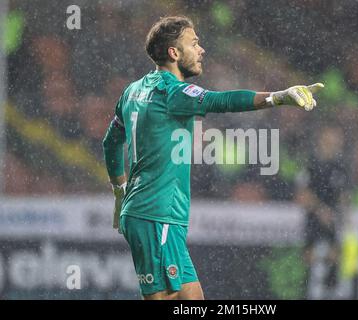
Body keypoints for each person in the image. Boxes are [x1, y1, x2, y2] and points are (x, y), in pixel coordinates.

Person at [102, 15, 324, 300]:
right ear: (174, 52)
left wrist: (120, 193)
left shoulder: (132, 91)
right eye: (194, 43)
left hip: (153, 213)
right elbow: (224, 100)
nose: (201, 49)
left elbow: (110, 143)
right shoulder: (173, 92)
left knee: (194, 300)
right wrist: (279, 97)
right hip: (157, 215)